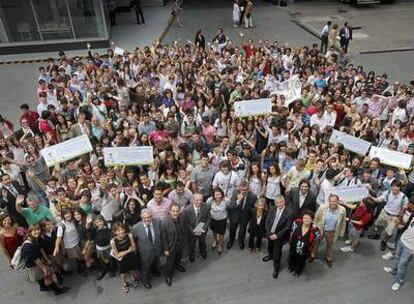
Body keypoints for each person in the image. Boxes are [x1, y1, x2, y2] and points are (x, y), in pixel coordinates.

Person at [21, 225, 70, 295]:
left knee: (45, 276)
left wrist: (46, 260)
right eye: (34, 230)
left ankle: (44, 287)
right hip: (35, 265)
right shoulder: (28, 246)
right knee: (47, 276)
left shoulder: (35, 239)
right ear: (30, 232)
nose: (37, 232)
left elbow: (40, 250)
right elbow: (36, 260)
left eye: (38, 229)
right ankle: (57, 290)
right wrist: (44, 268)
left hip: (36, 263)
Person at [368, 180, 408, 251]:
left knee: (389, 233)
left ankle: (384, 241)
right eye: (393, 186)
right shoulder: (388, 192)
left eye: (397, 187)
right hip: (384, 212)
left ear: (400, 188)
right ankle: (377, 235)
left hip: (394, 217)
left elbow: (404, 210)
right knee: (379, 225)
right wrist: (370, 196)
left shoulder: (404, 198)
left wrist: (400, 216)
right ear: (391, 186)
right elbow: (378, 200)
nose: (395, 188)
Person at [263, 195, 293, 279]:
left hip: (279, 236)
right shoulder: (272, 209)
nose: (279, 204)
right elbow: (267, 221)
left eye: (281, 202)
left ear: (284, 202)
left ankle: (276, 268)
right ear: (275, 203)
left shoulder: (289, 212)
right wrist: (269, 233)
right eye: (277, 202)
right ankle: (270, 255)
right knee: (269, 246)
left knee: (277, 252)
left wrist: (277, 235)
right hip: (270, 233)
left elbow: (287, 227)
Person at [131, 209, 162, 289]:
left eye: (148, 217)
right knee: (145, 267)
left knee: (156, 262)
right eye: (144, 217)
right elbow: (133, 240)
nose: (147, 219)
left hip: (157, 249)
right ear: (141, 217)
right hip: (145, 253)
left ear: (152, 216)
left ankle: (155, 271)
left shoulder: (158, 222)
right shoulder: (135, 228)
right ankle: (145, 280)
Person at [383, 214, 414, 291]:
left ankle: (398, 281)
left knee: (402, 265)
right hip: (402, 240)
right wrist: (401, 225)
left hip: (410, 247)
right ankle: (393, 270)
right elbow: (408, 225)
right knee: (397, 257)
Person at [314, 194, 346, 267]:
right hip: (320, 229)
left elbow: (343, 222)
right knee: (315, 243)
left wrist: (341, 233)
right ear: (328, 201)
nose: (332, 203)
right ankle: (313, 254)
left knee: (330, 246)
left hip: (331, 231)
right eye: (330, 201)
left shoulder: (342, 210)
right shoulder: (322, 208)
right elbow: (316, 218)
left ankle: (328, 258)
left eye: (334, 201)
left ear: (338, 201)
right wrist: (314, 228)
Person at [288, 211, 320, 276]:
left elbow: (316, 242)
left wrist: (313, 252)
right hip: (294, 247)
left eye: (308, 218)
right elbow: (291, 233)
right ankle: (291, 267)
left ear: (312, 219)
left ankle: (298, 271)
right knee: (292, 258)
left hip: (305, 250)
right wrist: (290, 242)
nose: (306, 220)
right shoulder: (296, 223)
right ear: (302, 218)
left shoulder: (315, 230)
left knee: (301, 261)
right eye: (305, 218)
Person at [110, 221, 140, 293]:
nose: (121, 232)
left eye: (122, 229)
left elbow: (134, 248)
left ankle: (133, 279)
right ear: (115, 232)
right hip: (121, 260)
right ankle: (125, 283)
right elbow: (117, 255)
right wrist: (127, 251)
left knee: (132, 270)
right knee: (123, 274)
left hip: (130, 257)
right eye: (118, 230)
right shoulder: (113, 241)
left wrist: (122, 252)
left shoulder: (129, 235)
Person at [161, 203, 186, 287]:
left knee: (179, 257)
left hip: (181, 243)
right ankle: (168, 275)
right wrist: (166, 249)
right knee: (169, 262)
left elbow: (184, 228)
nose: (175, 213)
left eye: (177, 211)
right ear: (169, 211)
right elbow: (163, 238)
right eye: (173, 211)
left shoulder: (182, 217)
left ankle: (177, 265)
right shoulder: (165, 222)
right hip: (171, 246)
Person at [227, 181, 257, 250]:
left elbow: (253, 208)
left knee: (242, 230)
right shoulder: (235, 192)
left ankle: (241, 241)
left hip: (245, 216)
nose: (242, 191)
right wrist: (238, 201)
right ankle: (231, 240)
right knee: (232, 229)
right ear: (239, 188)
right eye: (241, 189)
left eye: (245, 190)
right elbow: (231, 206)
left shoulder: (253, 196)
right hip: (235, 215)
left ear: (248, 188)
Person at [182, 192, 210, 261]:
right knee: (191, 243)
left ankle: (202, 251)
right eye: (197, 200)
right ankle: (191, 254)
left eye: (201, 200)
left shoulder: (206, 206)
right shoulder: (187, 210)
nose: (199, 202)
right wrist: (192, 231)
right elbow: (186, 222)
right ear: (193, 200)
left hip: (202, 228)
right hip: (192, 229)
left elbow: (208, 218)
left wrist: (203, 228)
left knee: (202, 242)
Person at [207, 187, 228, 255]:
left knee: (221, 233)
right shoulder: (210, 200)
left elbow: (230, 207)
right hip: (213, 219)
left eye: (219, 194)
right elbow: (207, 207)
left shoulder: (226, 200)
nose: (218, 196)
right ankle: (215, 240)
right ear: (213, 195)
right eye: (216, 195)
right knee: (214, 231)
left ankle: (220, 245)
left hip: (222, 219)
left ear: (222, 194)